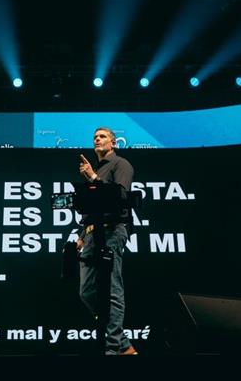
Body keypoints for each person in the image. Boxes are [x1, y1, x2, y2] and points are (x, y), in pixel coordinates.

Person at [75, 127, 137, 356]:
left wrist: (92, 177)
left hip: (112, 231)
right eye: (94, 137)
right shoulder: (97, 170)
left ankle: (114, 348)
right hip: (91, 234)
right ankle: (123, 345)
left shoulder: (121, 164)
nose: (97, 140)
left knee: (112, 288)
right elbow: (92, 209)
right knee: (87, 290)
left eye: (102, 137)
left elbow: (120, 196)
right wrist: (82, 236)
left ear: (113, 143)